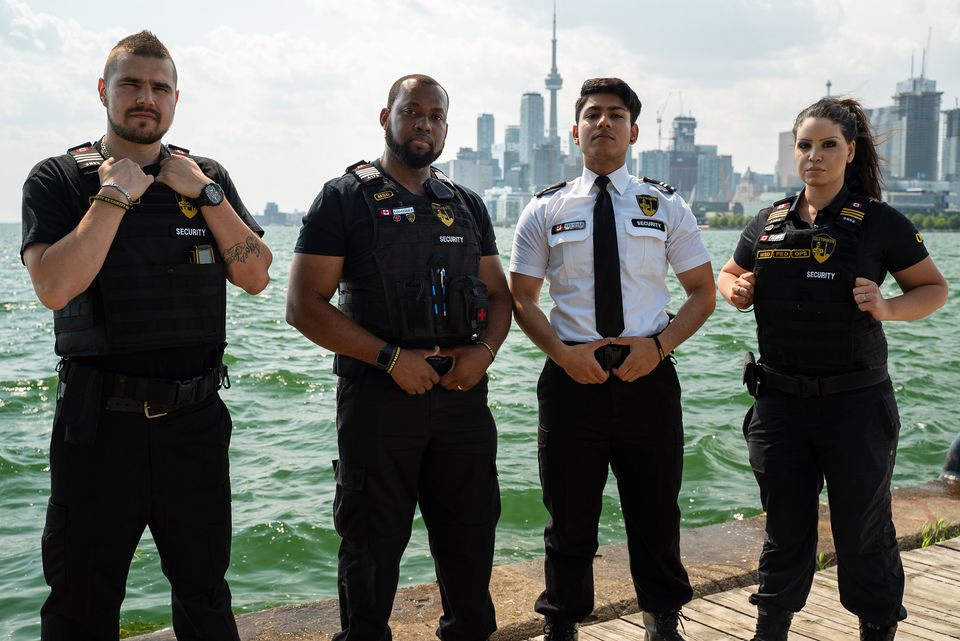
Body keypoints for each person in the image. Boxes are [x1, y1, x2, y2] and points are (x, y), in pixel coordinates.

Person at [20, 31, 272, 640]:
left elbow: (256, 275)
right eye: (131, 84)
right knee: (81, 598)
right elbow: (55, 287)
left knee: (205, 593)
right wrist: (113, 196)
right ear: (104, 91)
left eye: (159, 88)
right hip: (99, 425)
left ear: (176, 99)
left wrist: (205, 194)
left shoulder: (206, 176)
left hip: (195, 420)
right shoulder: (57, 178)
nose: (145, 98)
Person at [285, 74, 511, 641]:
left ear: (446, 128)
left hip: (461, 399)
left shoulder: (466, 204)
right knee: (371, 545)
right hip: (379, 403)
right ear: (385, 116)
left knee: (470, 538)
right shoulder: (343, 199)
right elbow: (303, 305)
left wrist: (482, 355)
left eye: (435, 116)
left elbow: (500, 296)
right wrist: (390, 359)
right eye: (411, 112)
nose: (423, 124)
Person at [718, 97, 948, 641]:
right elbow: (728, 273)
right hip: (779, 406)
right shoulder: (768, 220)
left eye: (827, 145)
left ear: (850, 151)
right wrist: (737, 289)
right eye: (804, 145)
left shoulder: (878, 222)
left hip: (855, 406)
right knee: (784, 530)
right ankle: (769, 629)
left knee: (862, 529)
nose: (814, 156)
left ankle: (876, 628)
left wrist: (887, 306)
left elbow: (933, 289)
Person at [510, 77, 716, 641]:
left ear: (634, 131)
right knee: (570, 515)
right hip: (570, 377)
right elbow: (521, 298)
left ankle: (662, 617)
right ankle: (563, 622)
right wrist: (562, 355)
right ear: (574, 130)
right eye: (594, 114)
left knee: (655, 511)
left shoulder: (665, 204)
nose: (604, 123)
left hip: (647, 373)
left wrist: (660, 346)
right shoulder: (545, 209)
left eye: (616, 115)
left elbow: (703, 291)